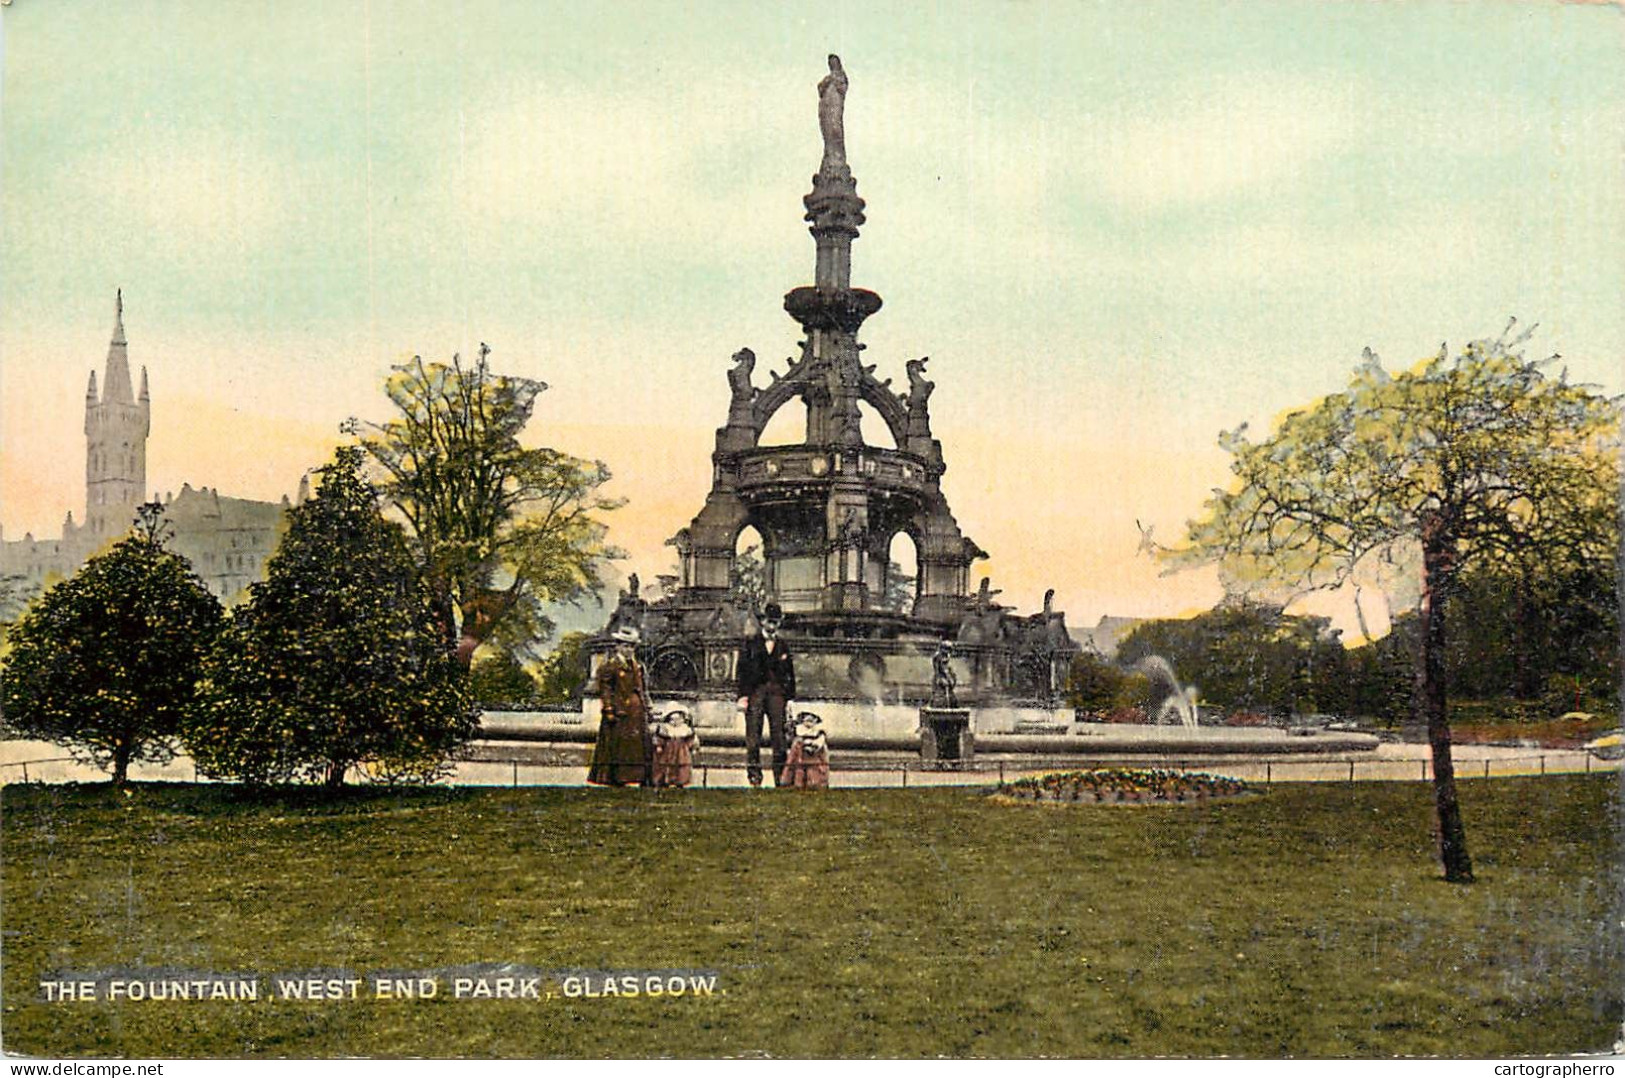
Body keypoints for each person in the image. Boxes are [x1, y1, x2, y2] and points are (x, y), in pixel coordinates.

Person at [736, 601, 796, 787]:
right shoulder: (750, 643)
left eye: (776, 622)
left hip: (777, 694)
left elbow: (789, 674)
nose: (772, 626)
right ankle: (754, 776)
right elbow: (742, 672)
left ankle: (781, 777)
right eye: (770, 622)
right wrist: (742, 696)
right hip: (755, 693)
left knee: (779, 738)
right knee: (753, 736)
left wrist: (791, 698)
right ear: (762, 622)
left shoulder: (783, 646)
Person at [587, 624, 653, 787]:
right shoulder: (610, 666)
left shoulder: (638, 667)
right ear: (617, 646)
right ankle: (616, 777)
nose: (629, 650)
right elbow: (606, 690)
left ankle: (639, 777)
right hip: (619, 712)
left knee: (637, 746)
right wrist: (609, 709)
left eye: (632, 646)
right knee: (618, 746)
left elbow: (642, 689)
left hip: (636, 713)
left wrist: (647, 706)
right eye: (625, 646)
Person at [650, 707, 699, 789]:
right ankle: (666, 781)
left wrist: (693, 747)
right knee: (666, 764)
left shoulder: (685, 729)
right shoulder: (665, 728)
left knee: (681, 765)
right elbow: (659, 738)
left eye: (678, 719)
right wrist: (659, 746)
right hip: (668, 750)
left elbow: (691, 739)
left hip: (682, 751)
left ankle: (680, 781)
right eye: (673, 719)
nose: (676, 722)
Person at [781, 711, 829, 789]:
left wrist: (814, 746)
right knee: (799, 771)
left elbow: (820, 742)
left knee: (813, 771)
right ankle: (796, 782)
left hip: (814, 756)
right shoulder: (799, 730)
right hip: (800, 756)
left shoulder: (819, 732)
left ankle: (815, 783)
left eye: (811, 720)